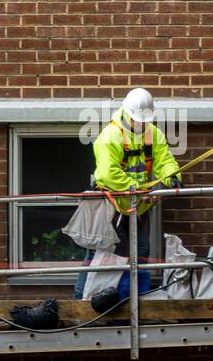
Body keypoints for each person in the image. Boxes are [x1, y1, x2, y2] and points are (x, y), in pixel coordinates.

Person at [74, 88, 182, 299]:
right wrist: (138, 189)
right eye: (137, 120)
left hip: (139, 207)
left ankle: (137, 300)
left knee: (141, 252)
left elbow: (163, 160)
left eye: (144, 120)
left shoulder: (153, 134)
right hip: (112, 206)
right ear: (126, 113)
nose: (141, 124)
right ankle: (82, 301)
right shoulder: (110, 136)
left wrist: (172, 176)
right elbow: (106, 174)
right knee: (99, 253)